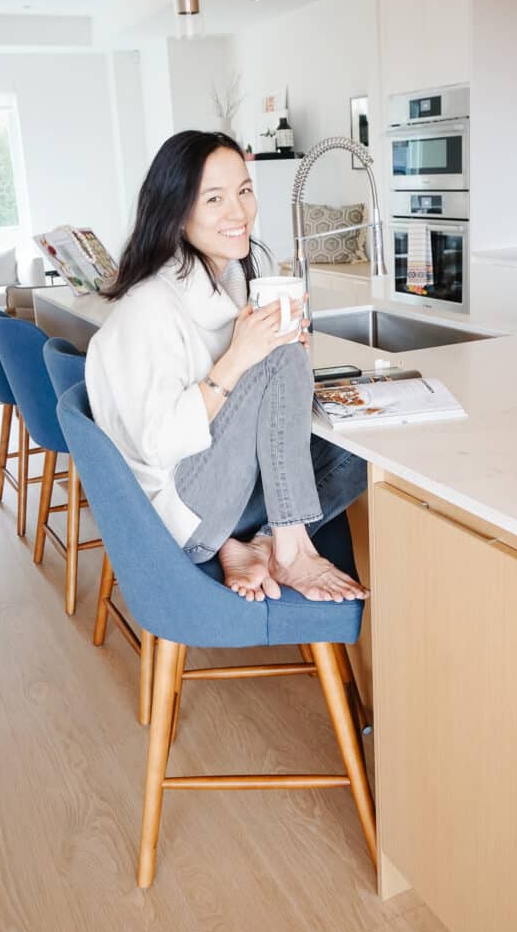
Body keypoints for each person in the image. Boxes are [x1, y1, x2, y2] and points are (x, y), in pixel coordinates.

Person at [85, 130, 368, 604]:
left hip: (227, 502)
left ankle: (260, 543)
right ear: (176, 212)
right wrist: (246, 357)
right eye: (214, 199)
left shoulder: (232, 281)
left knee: (367, 446)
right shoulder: (150, 305)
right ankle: (293, 550)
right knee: (277, 353)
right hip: (178, 518)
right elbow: (159, 445)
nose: (238, 212)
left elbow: (260, 418)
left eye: (244, 190)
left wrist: (284, 362)